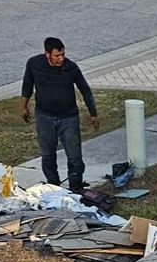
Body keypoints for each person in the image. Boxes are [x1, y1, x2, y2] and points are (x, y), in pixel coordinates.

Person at [20, 37, 99, 191]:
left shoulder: (71, 68)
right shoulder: (34, 64)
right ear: (47, 54)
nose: (61, 58)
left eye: (62, 54)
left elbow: (85, 90)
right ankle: (53, 184)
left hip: (68, 117)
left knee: (74, 155)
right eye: (57, 56)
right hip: (44, 117)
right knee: (48, 153)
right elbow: (27, 85)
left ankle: (76, 186)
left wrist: (93, 114)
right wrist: (23, 107)